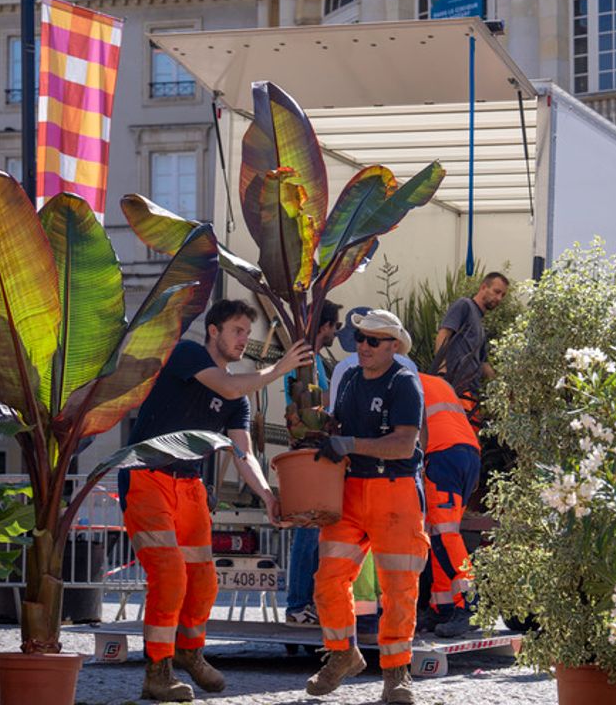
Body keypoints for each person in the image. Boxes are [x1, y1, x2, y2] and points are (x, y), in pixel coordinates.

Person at [121, 299, 312, 702]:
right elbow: (226, 384)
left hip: (189, 487)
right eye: (237, 330)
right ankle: (157, 672)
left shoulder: (237, 401)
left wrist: (266, 496)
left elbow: (243, 455)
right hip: (146, 477)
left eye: (247, 332)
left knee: (204, 581)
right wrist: (279, 369)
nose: (244, 339)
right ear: (214, 331)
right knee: (170, 574)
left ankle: (190, 653)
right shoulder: (188, 353)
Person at [307, 309, 429, 705]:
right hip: (350, 491)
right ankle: (343, 653)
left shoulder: (404, 382)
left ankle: (396, 676)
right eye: (359, 338)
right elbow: (339, 429)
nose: (363, 346)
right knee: (328, 579)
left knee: (399, 588)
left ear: (394, 345)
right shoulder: (350, 380)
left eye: (373, 340)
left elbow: (403, 444)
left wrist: (350, 444)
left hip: (394, 493)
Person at [283, 300, 342, 627]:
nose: (336, 332)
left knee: (316, 530)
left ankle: (307, 604)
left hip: (316, 447)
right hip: (309, 449)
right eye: (336, 326)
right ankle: (297, 605)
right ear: (325, 326)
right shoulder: (304, 359)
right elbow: (306, 403)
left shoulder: (313, 359)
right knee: (308, 529)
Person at [416, 372, 482, 638]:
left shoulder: (399, 377)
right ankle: (442, 607)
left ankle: (470, 604)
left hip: (441, 455)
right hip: (468, 455)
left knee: (443, 534)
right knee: (439, 531)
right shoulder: (437, 382)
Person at [431, 272, 510, 425]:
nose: (499, 298)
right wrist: (441, 371)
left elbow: (483, 363)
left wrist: (502, 389)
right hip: (455, 387)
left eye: (503, 295)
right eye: (496, 291)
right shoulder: (464, 305)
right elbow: (444, 333)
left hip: (471, 394)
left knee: (470, 440)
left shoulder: (480, 327)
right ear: (483, 287)